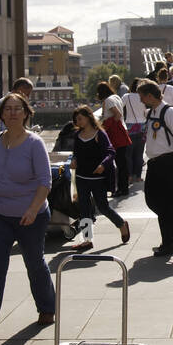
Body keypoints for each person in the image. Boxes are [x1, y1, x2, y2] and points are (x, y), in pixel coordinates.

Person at [0, 91, 56, 343]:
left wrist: (31, 209)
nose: (13, 113)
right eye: (8, 109)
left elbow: (44, 181)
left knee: (35, 263)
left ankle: (47, 307)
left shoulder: (34, 143)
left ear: (27, 113)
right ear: (1, 114)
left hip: (32, 215)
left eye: (18, 108)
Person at [138, 80, 173, 256]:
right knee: (152, 201)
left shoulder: (170, 112)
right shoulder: (150, 112)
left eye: (142, 97)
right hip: (154, 162)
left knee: (163, 203)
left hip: (169, 161)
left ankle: (168, 243)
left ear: (149, 95)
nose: (140, 100)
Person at [69, 105, 130, 250]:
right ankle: (87, 240)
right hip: (81, 177)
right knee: (84, 209)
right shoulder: (77, 136)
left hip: (98, 178)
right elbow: (76, 153)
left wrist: (103, 165)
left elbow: (110, 152)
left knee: (103, 207)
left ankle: (121, 224)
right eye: (76, 120)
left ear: (89, 118)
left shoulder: (99, 134)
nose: (78, 122)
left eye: (80, 119)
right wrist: (74, 160)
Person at [95, 81, 131, 196]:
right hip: (122, 131)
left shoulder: (108, 101)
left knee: (118, 163)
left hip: (115, 134)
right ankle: (124, 187)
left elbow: (117, 114)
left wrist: (105, 125)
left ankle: (120, 189)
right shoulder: (116, 97)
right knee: (122, 163)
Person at [0, 76, 34, 142]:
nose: (27, 97)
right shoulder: (2, 103)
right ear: (18, 91)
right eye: (26, 94)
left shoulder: (3, 102)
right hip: (4, 143)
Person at [122, 78, 148, 183]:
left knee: (128, 154)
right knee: (139, 153)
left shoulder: (126, 96)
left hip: (129, 127)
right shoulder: (144, 96)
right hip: (142, 126)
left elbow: (119, 107)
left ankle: (129, 176)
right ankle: (138, 176)